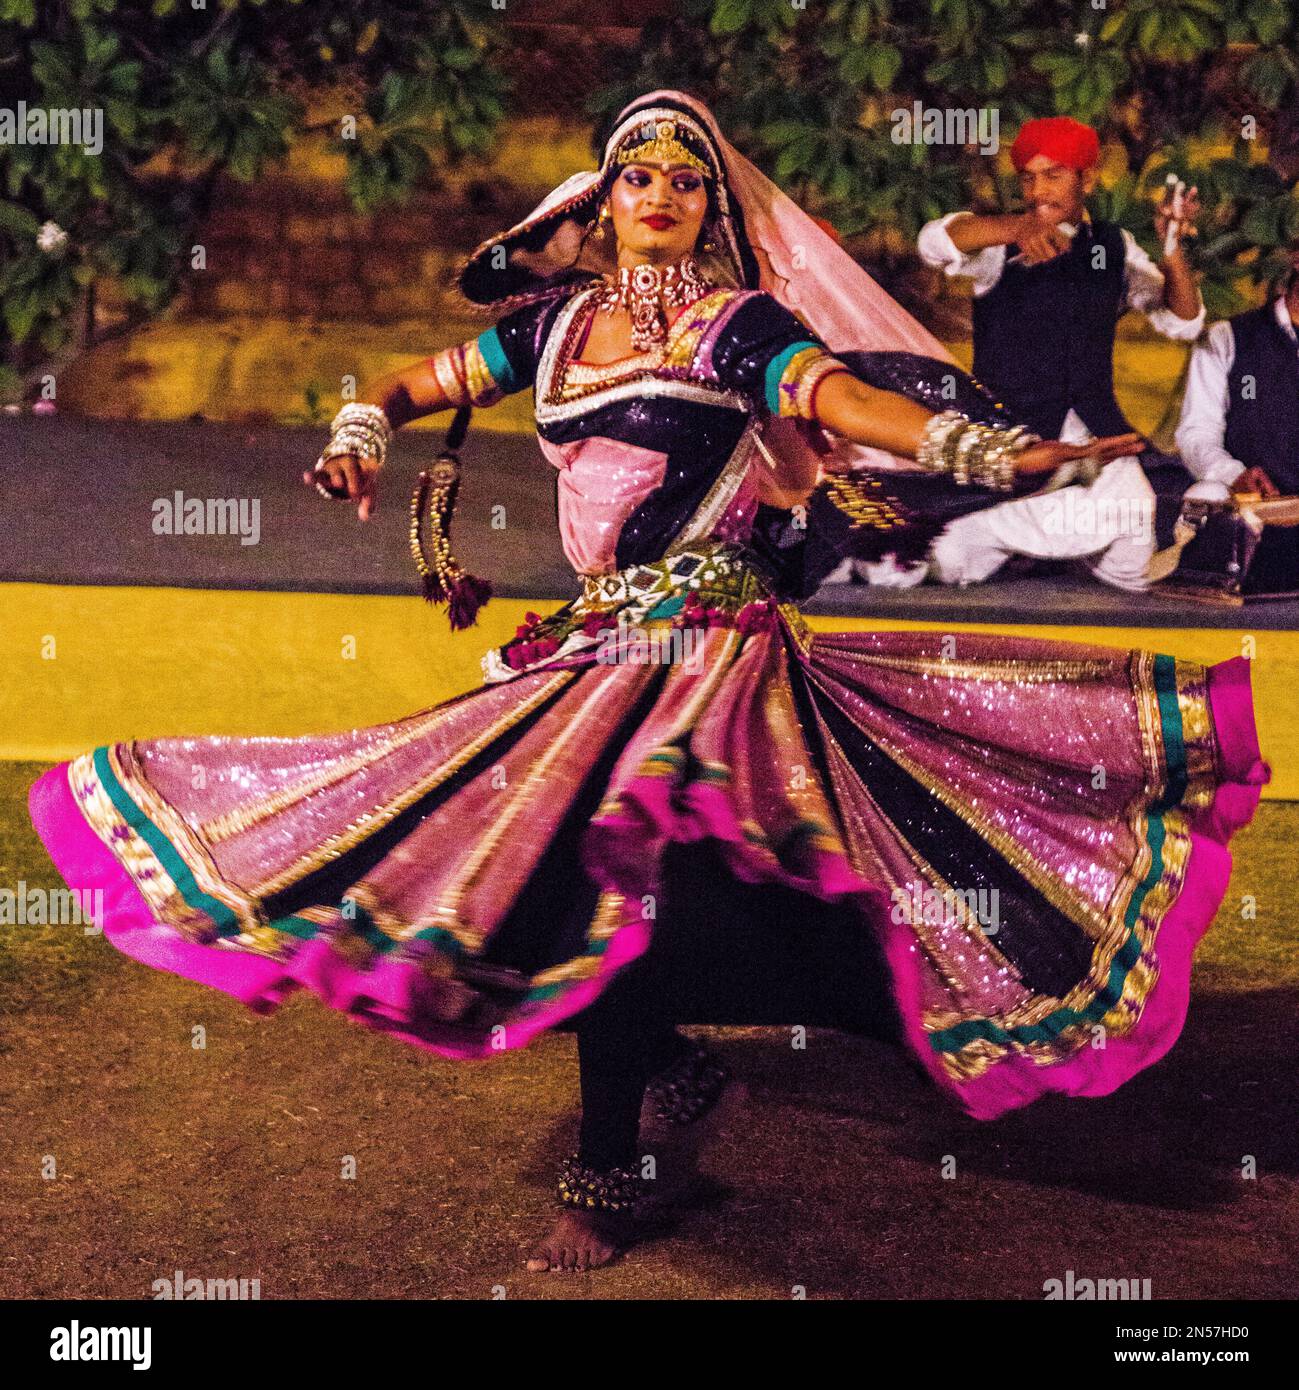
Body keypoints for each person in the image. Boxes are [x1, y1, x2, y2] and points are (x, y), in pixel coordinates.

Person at [28, 91, 1268, 1276]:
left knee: (670, 866)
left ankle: (612, 1162)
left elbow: (838, 399)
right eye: (640, 176)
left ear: (708, 206)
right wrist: (360, 433)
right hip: (593, 648)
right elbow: (423, 382)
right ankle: (667, 1058)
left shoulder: (737, 325)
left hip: (713, 649)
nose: (662, 193)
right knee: (529, 867)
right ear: (605, 198)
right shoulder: (556, 327)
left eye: (686, 178)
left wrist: (988, 448)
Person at [906, 115, 1206, 590]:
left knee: (1136, 530)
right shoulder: (998, 244)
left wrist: (1172, 252)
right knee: (949, 560)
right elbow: (934, 243)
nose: (1038, 190)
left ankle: (1090, 606)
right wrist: (1014, 228)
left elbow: (1184, 321)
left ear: (1087, 178)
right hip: (1010, 437)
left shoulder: (1114, 246)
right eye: (1028, 177)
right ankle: (1001, 544)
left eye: (1054, 175)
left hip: (1094, 433)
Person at [1176, 235, 1299, 499]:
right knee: (1205, 494)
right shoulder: (1227, 338)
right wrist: (1232, 475)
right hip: (1254, 514)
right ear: (1296, 258)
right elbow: (1197, 432)